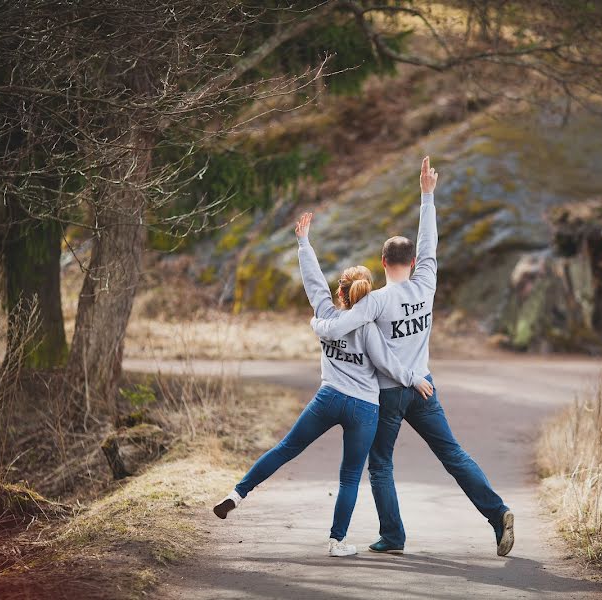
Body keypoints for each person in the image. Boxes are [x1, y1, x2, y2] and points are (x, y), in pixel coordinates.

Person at [310, 156, 514, 557]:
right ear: (414, 263)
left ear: (383, 263)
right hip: (424, 386)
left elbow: (339, 328)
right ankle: (498, 513)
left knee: (380, 464)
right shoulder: (427, 283)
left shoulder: (375, 301)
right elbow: (430, 241)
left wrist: (318, 325)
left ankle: (394, 537)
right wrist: (427, 196)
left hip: (389, 392)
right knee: (453, 454)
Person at [213, 212, 434, 558]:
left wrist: (303, 243)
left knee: (285, 448)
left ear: (341, 292)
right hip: (364, 409)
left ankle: (238, 493)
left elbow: (313, 282)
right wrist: (414, 378)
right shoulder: (369, 327)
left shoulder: (325, 314)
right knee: (348, 477)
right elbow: (389, 364)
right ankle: (337, 541)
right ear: (367, 292)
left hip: (328, 398)